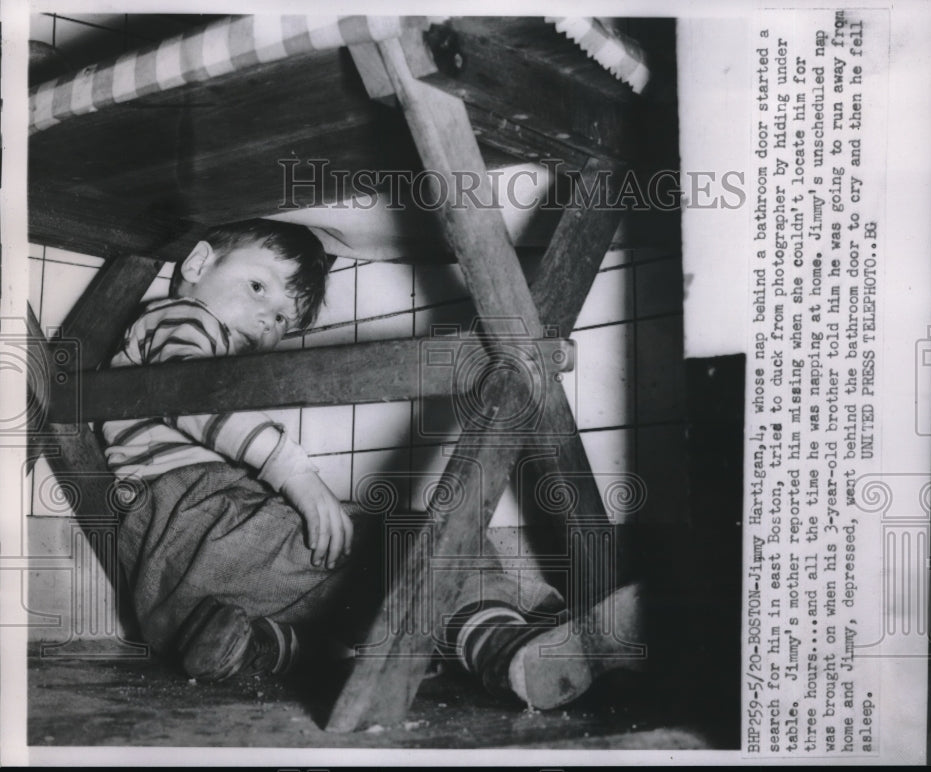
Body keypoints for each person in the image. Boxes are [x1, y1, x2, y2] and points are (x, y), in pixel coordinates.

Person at [102, 219, 641, 710]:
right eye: (258, 287)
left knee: (344, 606)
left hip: (169, 587)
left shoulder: (167, 338)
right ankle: (507, 644)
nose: (267, 318)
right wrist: (296, 474)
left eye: (283, 320)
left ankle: (261, 644)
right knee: (411, 538)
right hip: (206, 527)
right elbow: (192, 396)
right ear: (197, 266)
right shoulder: (181, 318)